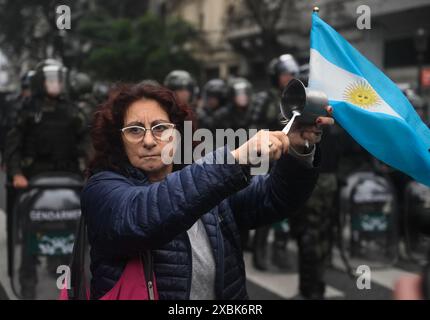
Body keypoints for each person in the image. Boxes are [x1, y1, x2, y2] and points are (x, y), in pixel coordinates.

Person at [82, 82, 334, 300]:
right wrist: (235, 160)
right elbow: (142, 218)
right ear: (118, 139)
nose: (149, 141)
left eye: (160, 128)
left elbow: (276, 197)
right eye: (135, 130)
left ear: (178, 133)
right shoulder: (102, 188)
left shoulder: (206, 181)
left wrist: (300, 148)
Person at [4, 59, 88, 299]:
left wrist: (92, 169)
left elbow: (86, 141)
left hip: (69, 181)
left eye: (58, 79)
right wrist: (17, 174)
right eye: (51, 79)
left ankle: (70, 286)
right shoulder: (26, 110)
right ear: (41, 82)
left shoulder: (71, 110)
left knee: (72, 235)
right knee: (31, 238)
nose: (56, 84)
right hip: (34, 183)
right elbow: (12, 146)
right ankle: (28, 288)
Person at [250, 54, 301, 271]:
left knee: (286, 207)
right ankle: (259, 251)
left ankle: (280, 250)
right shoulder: (264, 99)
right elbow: (252, 130)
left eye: (292, 74)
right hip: (267, 158)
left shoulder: (297, 99)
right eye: (284, 74)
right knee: (265, 205)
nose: (288, 78)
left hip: (289, 158)